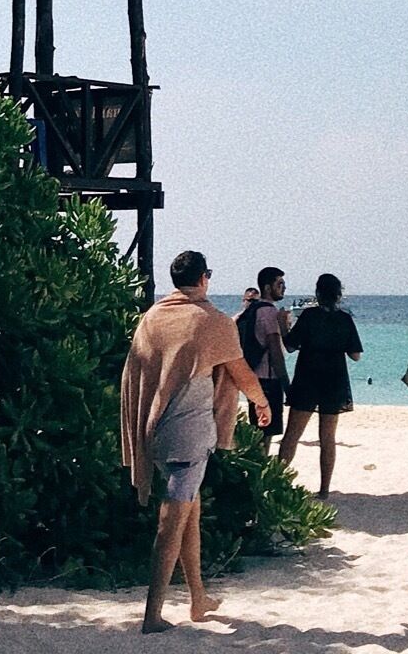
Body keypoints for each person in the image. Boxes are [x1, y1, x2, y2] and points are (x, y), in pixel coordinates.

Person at [120, 249, 271, 634]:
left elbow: (137, 370)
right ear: (204, 277)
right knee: (172, 520)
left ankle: (198, 598)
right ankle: (152, 614)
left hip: (153, 430)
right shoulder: (213, 321)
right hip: (188, 435)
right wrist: (262, 402)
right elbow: (240, 372)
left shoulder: (153, 317)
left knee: (191, 514)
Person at [278, 273, 363, 495]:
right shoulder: (345, 319)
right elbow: (356, 355)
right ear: (338, 295)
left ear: (317, 292)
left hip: (307, 377)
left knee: (292, 434)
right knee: (328, 438)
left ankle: (277, 482)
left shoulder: (308, 316)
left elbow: (289, 346)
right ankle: (324, 489)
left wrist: (283, 326)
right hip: (334, 380)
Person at [238, 267, 293, 448]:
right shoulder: (269, 313)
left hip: (252, 376)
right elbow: (276, 353)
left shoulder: (254, 308)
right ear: (268, 288)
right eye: (280, 284)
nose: (284, 287)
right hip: (268, 380)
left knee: (258, 432)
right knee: (265, 435)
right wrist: (287, 386)